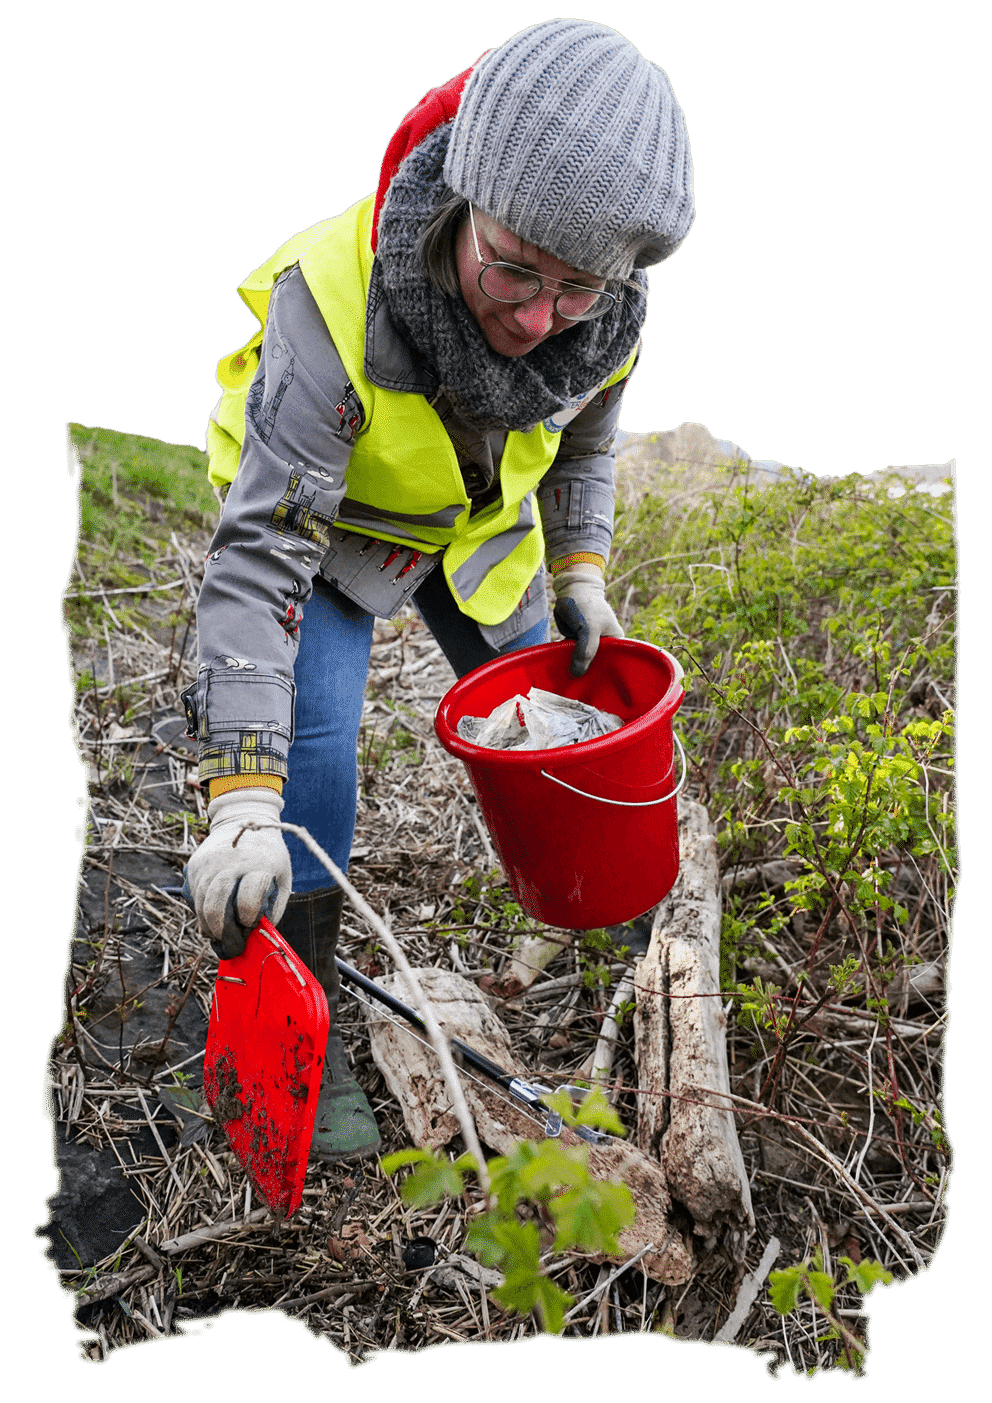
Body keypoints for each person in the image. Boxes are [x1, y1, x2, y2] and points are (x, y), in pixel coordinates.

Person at [183, 18, 694, 1163]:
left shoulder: (602, 307)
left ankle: (622, 948)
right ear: (462, 195)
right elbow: (263, 548)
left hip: (461, 522)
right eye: (511, 265)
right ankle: (288, 1015)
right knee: (306, 758)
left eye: (573, 288)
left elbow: (583, 446)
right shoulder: (335, 295)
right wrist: (241, 801)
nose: (534, 315)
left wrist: (578, 574)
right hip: (315, 524)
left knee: (559, 716)